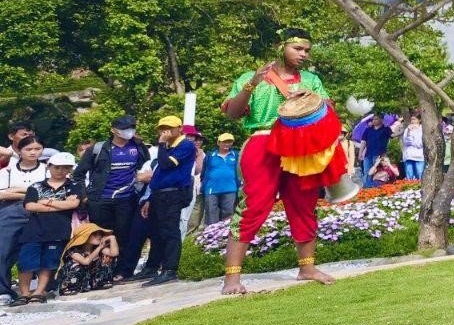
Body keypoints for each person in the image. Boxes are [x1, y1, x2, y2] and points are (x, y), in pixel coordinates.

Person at [220, 33, 344, 293]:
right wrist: (252, 84)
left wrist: (312, 99)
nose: (303, 54)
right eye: (297, 48)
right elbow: (232, 114)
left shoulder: (311, 80)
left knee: (304, 203)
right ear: (281, 47)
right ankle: (232, 279)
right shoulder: (250, 77)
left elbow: (328, 111)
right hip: (263, 142)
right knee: (253, 205)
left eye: (307, 50)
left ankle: (307, 268)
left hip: (300, 146)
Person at [76, 115, 147, 281]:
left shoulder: (138, 148)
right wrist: (85, 197)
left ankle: (122, 271)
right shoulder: (98, 149)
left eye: (132, 127)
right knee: (101, 237)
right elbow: (78, 175)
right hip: (100, 200)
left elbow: (147, 168)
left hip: (127, 199)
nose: (129, 131)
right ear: (113, 130)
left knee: (125, 236)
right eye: (124, 128)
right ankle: (101, 271)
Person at [136, 115, 197, 283]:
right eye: (162, 128)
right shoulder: (168, 146)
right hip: (158, 194)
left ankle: (170, 269)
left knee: (170, 231)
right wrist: (149, 199)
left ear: (179, 129)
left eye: (169, 128)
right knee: (155, 232)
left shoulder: (186, 145)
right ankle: (152, 267)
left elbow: (166, 164)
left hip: (173, 194)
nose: (165, 131)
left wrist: (161, 144)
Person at [17, 150, 82, 302]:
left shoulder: (74, 186)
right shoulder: (36, 186)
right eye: (57, 167)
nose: (61, 171)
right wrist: (60, 204)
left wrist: (46, 202)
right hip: (35, 230)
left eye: (65, 168)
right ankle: (24, 293)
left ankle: (39, 292)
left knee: (49, 262)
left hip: (58, 230)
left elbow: (73, 204)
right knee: (26, 261)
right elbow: (30, 205)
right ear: (49, 166)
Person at [0, 135, 47, 304]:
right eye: (29, 149)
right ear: (19, 151)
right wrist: (31, 191)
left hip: (42, 212)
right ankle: (3, 290)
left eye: (37, 149)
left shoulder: (48, 169)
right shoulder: (7, 171)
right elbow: (1, 194)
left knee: (42, 249)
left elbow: (49, 192)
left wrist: (17, 190)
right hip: (10, 212)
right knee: (3, 250)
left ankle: (42, 287)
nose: (33, 152)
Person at [399, 115, 426, 181]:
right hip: (409, 155)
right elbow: (406, 142)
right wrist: (409, 131)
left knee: (419, 173)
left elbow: (420, 143)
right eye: (411, 119)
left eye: (414, 119)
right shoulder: (407, 129)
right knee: (409, 175)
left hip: (419, 156)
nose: (412, 121)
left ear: (419, 120)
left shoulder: (423, 129)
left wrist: (414, 140)